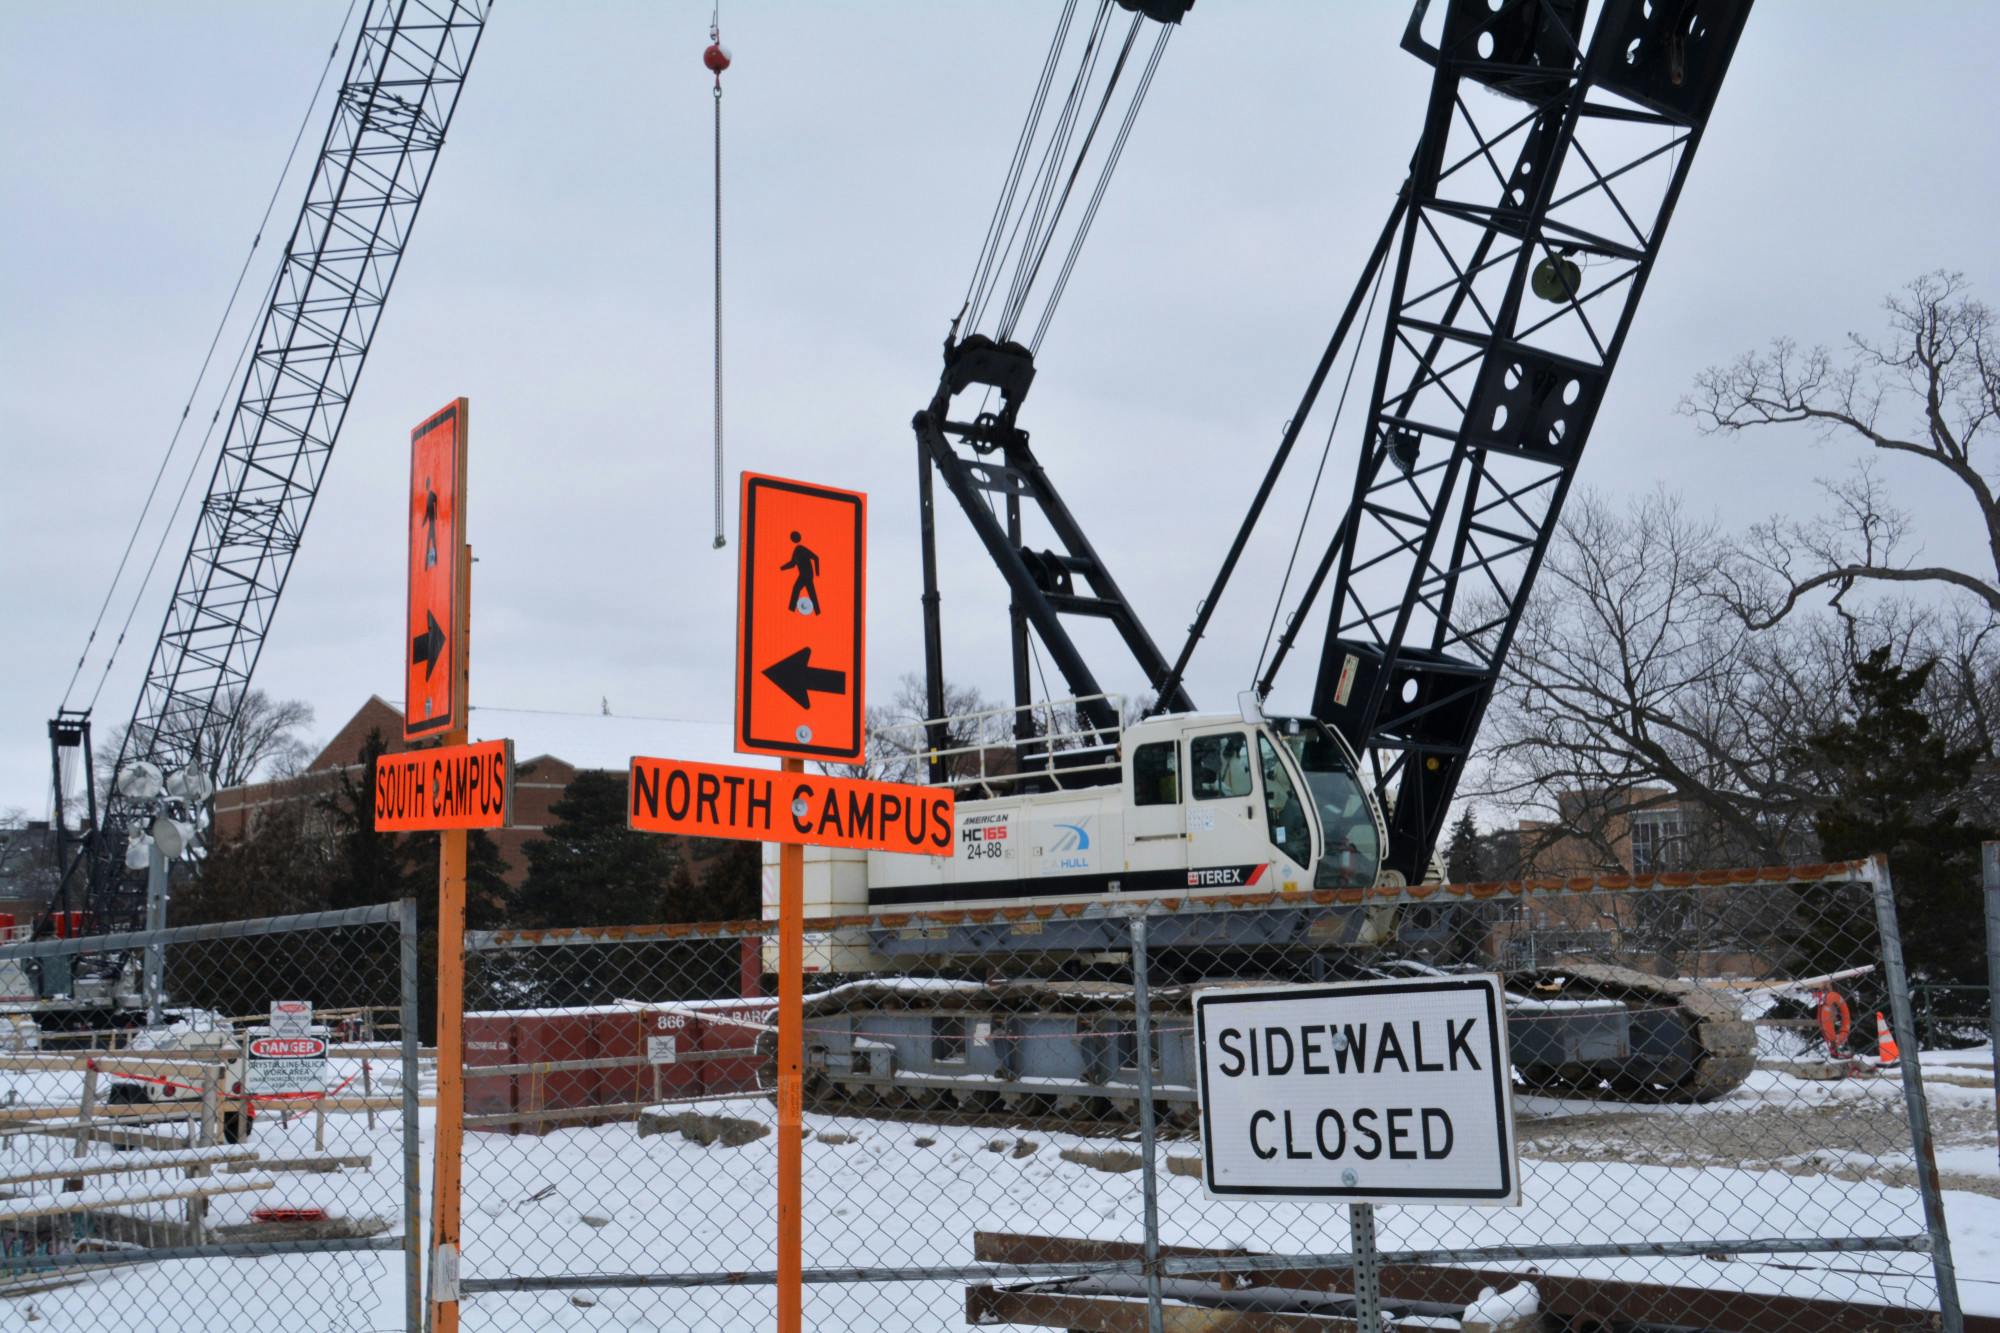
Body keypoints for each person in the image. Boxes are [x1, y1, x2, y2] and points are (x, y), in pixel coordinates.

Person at [781, 531, 820, 614]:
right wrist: (782, 568)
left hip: (807, 575)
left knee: (806, 592)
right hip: (803, 575)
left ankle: (792, 610)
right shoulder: (796, 551)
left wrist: (817, 573)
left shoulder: (800, 549)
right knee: (801, 590)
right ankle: (792, 610)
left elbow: (816, 557)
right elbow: (792, 564)